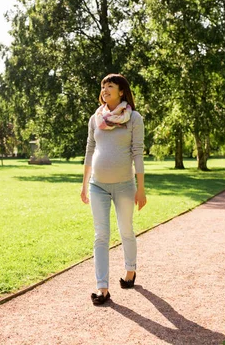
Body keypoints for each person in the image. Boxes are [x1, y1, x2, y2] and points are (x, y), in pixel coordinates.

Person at [80, 73, 147, 305]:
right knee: (101, 235)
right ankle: (102, 288)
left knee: (126, 229)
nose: (105, 89)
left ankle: (130, 271)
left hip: (125, 185)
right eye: (103, 86)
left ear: (121, 91)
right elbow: (89, 150)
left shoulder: (133, 118)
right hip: (97, 185)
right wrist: (84, 185)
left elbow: (138, 152)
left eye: (110, 85)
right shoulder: (95, 118)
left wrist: (141, 188)